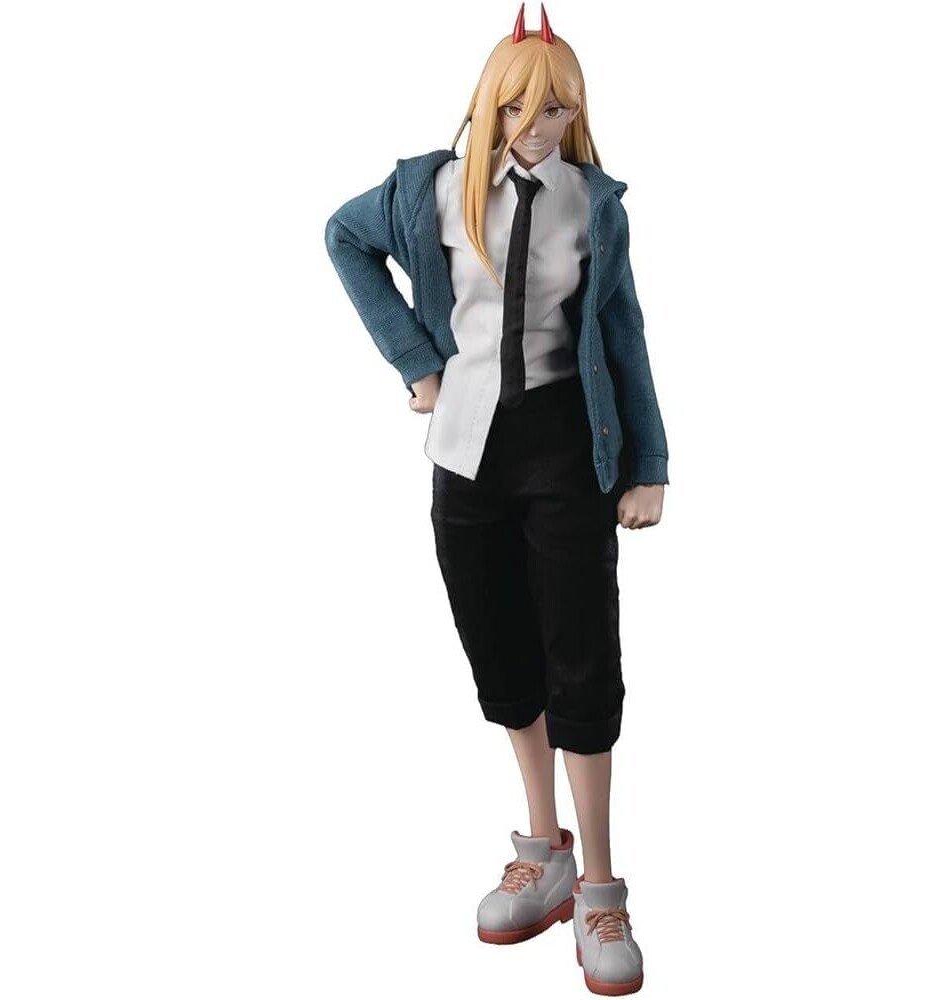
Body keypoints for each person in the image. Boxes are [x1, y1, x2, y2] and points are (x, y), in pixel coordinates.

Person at [324, 4, 668, 994]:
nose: (535, 127)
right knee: (502, 650)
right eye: (517, 107)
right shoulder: (430, 190)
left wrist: (647, 462)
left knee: (581, 656)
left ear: (576, 112)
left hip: (566, 445)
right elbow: (343, 238)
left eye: (554, 110)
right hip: (466, 451)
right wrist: (415, 361)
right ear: (488, 104)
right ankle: (543, 847)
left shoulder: (591, 204)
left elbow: (624, 331)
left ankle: (601, 885)